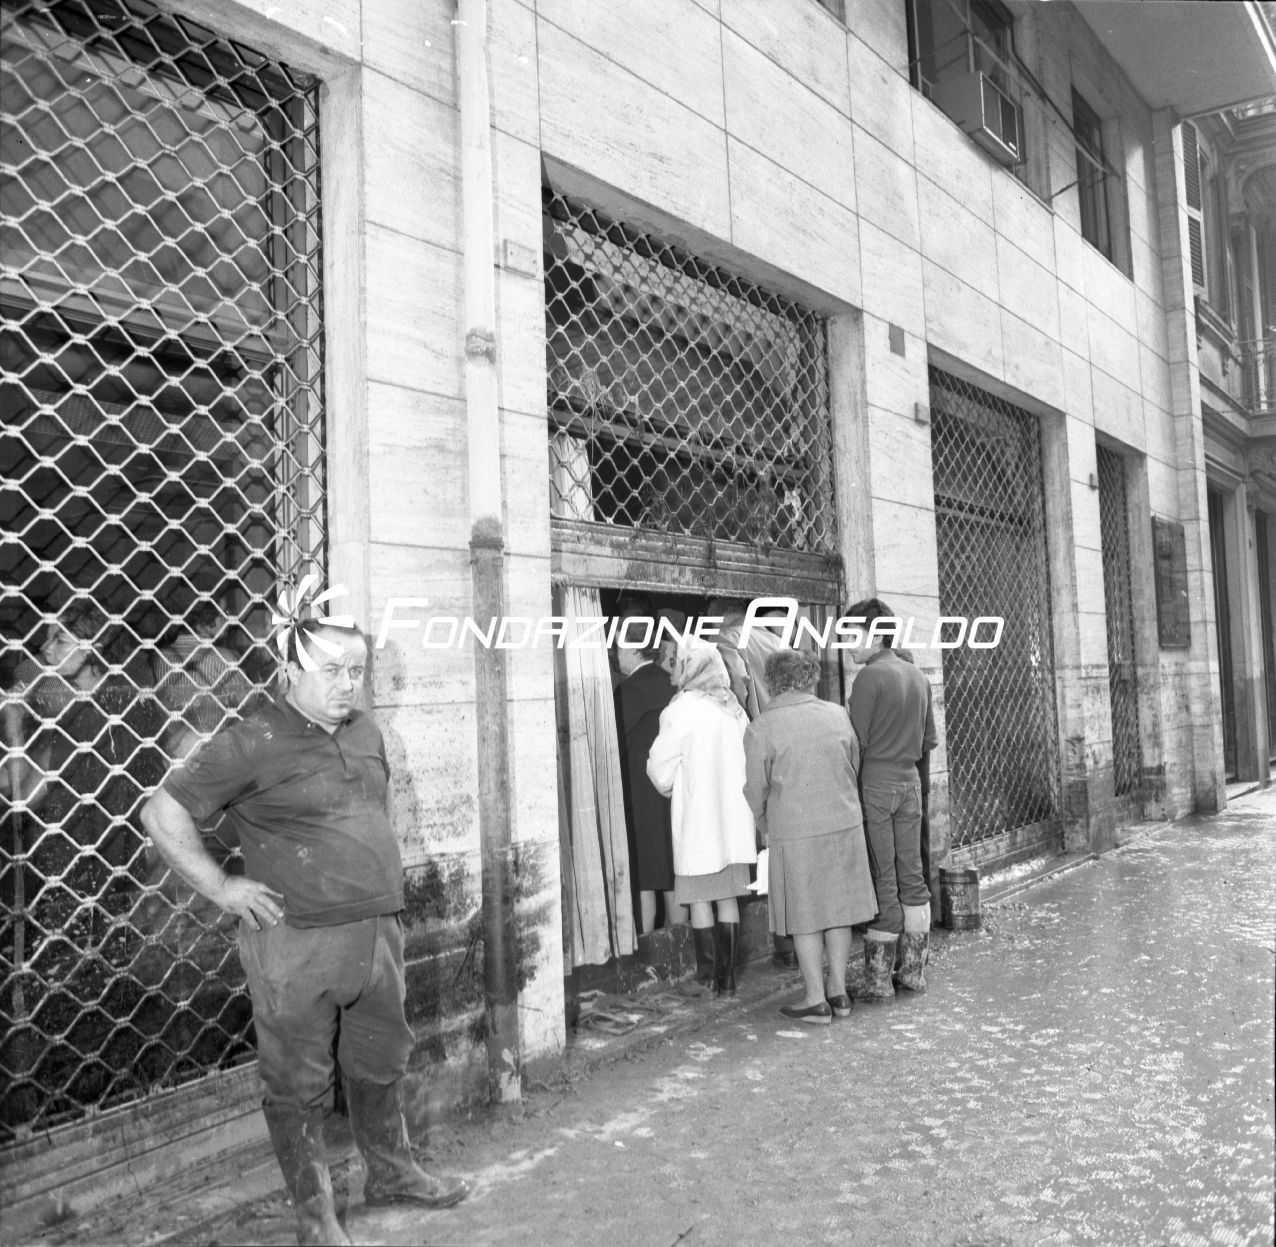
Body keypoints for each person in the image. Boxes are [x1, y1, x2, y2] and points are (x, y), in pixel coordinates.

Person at [140, 620, 469, 1247]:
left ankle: (391, 1174)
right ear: (292, 669)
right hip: (296, 945)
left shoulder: (366, 731)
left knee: (381, 1059)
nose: (348, 684)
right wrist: (222, 887)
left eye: (357, 670)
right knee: (297, 1082)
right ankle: (316, 1217)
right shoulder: (251, 741)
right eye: (332, 670)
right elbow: (162, 812)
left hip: (376, 933)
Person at [744, 649, 878, 1023]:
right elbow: (853, 765)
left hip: (795, 830)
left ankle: (815, 999)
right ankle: (839, 992)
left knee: (805, 914)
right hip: (843, 823)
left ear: (772, 681)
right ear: (809, 678)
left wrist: (766, 823)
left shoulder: (761, 726)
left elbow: (755, 788)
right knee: (838, 909)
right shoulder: (838, 715)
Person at [646, 641, 757, 997]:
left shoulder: (681, 709)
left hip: (698, 825)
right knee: (727, 900)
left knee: (699, 901)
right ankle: (728, 980)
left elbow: (659, 767)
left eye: (678, 664)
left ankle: (707, 978)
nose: (674, 670)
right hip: (733, 826)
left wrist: (670, 788)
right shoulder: (734, 710)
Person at [845, 598, 938, 1000]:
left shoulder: (869, 678)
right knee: (912, 876)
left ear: (876, 636)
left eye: (853, 635)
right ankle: (913, 972)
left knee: (883, 876)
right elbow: (927, 740)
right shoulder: (918, 677)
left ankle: (879, 980)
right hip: (909, 785)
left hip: (876, 787)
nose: (847, 645)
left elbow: (856, 744)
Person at [613, 627, 684, 937]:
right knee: (672, 873)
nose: (615, 654)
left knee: (644, 877)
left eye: (618, 647)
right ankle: (680, 946)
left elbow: (613, 747)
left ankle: (644, 949)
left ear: (633, 649)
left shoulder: (628, 690)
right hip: (672, 793)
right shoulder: (672, 684)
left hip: (640, 797)